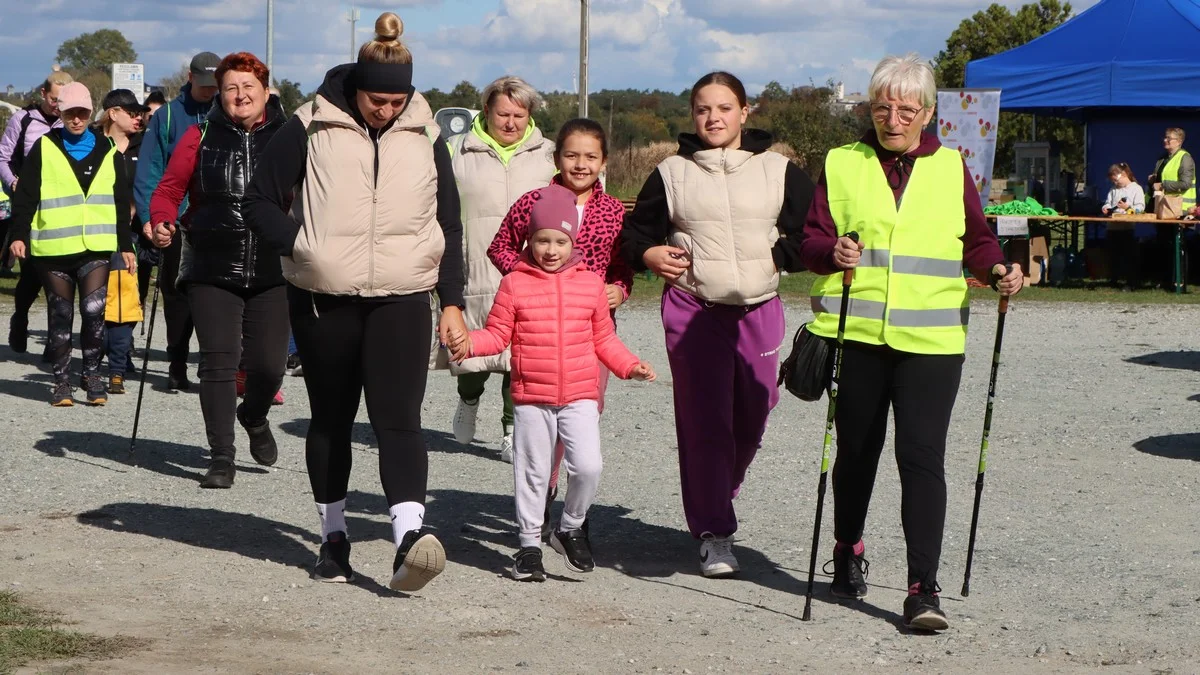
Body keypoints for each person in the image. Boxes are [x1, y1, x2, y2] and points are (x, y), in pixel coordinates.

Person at [799, 54, 1023, 631]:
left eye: (905, 109)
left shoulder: (951, 168)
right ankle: (848, 549)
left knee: (920, 458)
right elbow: (811, 241)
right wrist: (832, 253)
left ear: (927, 113)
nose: (892, 118)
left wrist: (999, 270)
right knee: (856, 454)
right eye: (881, 107)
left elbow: (976, 240)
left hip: (931, 342)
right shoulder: (841, 163)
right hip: (859, 334)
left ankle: (923, 589)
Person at [244, 12, 466, 592]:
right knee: (333, 420)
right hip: (324, 298)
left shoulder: (426, 133)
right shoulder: (308, 124)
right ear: (356, 86)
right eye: (376, 101)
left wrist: (452, 300)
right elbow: (259, 201)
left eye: (396, 102)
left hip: (403, 296)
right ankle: (334, 537)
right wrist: (304, 246)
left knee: (399, 420)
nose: (385, 111)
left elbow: (450, 221)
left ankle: (409, 540)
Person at [621, 71, 814, 579]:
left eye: (725, 108)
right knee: (706, 422)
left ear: (744, 112)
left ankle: (716, 489)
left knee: (754, 412)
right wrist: (649, 253)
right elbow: (636, 232)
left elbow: (811, 229)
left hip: (759, 307)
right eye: (704, 109)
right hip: (694, 308)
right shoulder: (670, 172)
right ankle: (714, 532)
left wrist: (779, 257)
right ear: (693, 115)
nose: (714, 118)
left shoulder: (780, 169)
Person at [450, 184, 655, 581]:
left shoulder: (591, 284)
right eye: (541, 240)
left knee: (589, 467)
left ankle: (570, 526)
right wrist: (467, 343)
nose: (550, 250)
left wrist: (630, 366)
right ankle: (528, 546)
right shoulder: (515, 283)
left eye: (559, 241)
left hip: (580, 395)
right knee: (533, 473)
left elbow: (604, 340)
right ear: (530, 240)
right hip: (531, 397)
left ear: (572, 241)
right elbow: (496, 335)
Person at [487, 118, 633, 537]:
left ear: (603, 162)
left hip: (590, 334)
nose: (580, 164)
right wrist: (530, 278)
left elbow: (623, 267)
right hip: (540, 333)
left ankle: (575, 513)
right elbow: (499, 246)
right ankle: (543, 500)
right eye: (572, 155)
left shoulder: (613, 211)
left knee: (582, 419)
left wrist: (619, 290)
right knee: (543, 422)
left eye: (590, 157)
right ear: (557, 158)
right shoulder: (533, 201)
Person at [150, 52, 289, 489]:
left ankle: (254, 414)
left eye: (249, 86)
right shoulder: (198, 135)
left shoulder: (287, 138)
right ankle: (221, 456)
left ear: (266, 92)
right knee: (218, 362)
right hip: (211, 263)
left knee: (269, 367)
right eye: (231, 87)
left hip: (273, 267)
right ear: (220, 94)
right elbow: (169, 190)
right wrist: (160, 221)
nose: (240, 95)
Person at [449, 75, 557, 462]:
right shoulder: (458, 150)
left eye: (519, 114)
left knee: (523, 356)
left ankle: (512, 430)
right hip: (475, 263)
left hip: (530, 270)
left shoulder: (549, 154)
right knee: (473, 352)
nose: (510, 122)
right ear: (486, 111)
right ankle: (469, 399)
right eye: (502, 113)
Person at [7, 83, 136, 405]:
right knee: (60, 314)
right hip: (53, 249)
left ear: (90, 113)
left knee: (93, 313)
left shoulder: (108, 149)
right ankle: (61, 381)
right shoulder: (43, 147)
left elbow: (121, 201)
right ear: (60, 114)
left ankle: (92, 375)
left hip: (96, 247)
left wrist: (126, 245)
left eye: (81, 113)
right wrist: (19, 235)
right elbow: (26, 196)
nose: (76, 120)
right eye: (69, 114)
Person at [134, 51, 220, 390]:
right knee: (176, 295)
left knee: (215, 296)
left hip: (215, 222)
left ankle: (213, 366)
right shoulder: (167, 117)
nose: (209, 91)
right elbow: (150, 170)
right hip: (176, 222)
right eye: (203, 85)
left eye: (215, 86)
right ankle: (177, 362)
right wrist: (148, 217)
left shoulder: (225, 114)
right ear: (190, 78)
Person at [1, 70, 73, 356]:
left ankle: (54, 342)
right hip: (29, 207)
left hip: (61, 209)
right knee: (31, 274)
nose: (59, 106)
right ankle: (20, 317)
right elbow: (3, 158)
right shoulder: (24, 119)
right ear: (44, 94)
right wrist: (14, 182)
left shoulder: (73, 122)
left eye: (63, 101)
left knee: (60, 275)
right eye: (55, 99)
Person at [96, 89, 149, 392]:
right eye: (131, 112)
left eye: (139, 112)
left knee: (130, 296)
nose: (137, 117)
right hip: (101, 231)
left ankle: (121, 355)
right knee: (101, 297)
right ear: (113, 113)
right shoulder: (93, 144)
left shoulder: (145, 144)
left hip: (137, 232)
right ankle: (102, 352)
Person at [1149, 128, 1195, 289]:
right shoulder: (1163, 159)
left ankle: (1179, 282)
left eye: (1169, 138)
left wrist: (1163, 184)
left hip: (1180, 209)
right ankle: (1166, 280)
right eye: (1165, 137)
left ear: (1179, 141)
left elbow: (1186, 183)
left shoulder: (1185, 158)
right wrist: (1154, 180)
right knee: (1164, 245)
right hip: (1164, 208)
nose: (1165, 141)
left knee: (1178, 246)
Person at [1102, 163, 1146, 290]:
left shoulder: (1136, 189)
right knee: (1113, 255)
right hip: (1112, 227)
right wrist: (1106, 208)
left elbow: (1140, 208)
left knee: (1128, 257)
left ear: (1124, 175)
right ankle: (1113, 280)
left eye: (1116, 179)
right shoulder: (1113, 189)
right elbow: (1107, 203)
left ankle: (1130, 282)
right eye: (1112, 181)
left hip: (1127, 228)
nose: (1115, 183)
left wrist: (1128, 208)